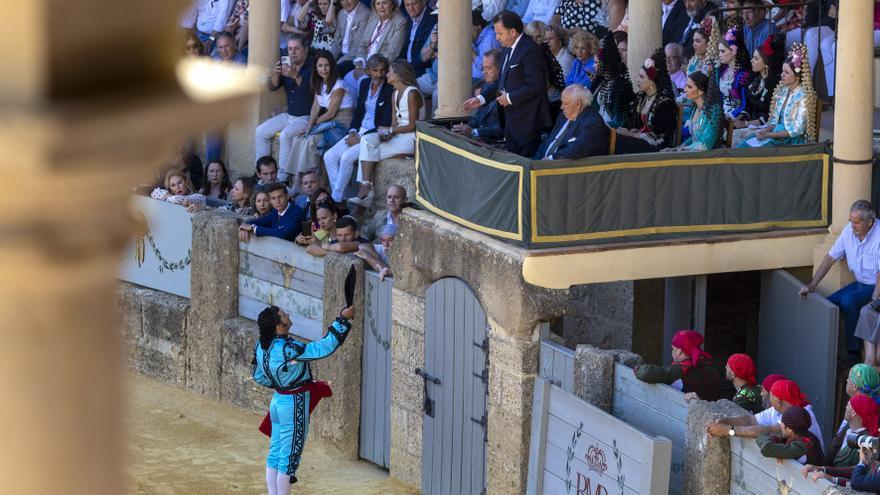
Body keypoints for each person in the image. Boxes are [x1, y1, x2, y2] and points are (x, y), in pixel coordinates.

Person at [252, 302, 355, 494]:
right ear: (278, 325)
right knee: (289, 459)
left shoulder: (261, 346)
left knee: (275, 453)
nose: (287, 313)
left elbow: (258, 376)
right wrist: (343, 320)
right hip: (293, 403)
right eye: (283, 314)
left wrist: (280, 382)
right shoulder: (289, 348)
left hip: (277, 401)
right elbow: (323, 348)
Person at [800, 200, 880, 363]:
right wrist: (813, 284)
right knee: (826, 304)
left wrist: (875, 298)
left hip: (875, 286)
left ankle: (853, 352)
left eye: (856, 222)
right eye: (850, 221)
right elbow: (830, 257)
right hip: (859, 283)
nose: (852, 226)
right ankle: (823, 353)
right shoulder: (848, 231)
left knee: (848, 300)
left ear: (870, 222)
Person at [469, 10, 552, 158]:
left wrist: (510, 98)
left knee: (524, 164)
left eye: (500, 33)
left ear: (513, 32)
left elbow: (536, 85)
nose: (497, 37)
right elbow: (500, 83)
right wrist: (481, 99)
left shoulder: (530, 49)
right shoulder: (507, 49)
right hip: (510, 120)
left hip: (528, 119)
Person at [350, 61, 424, 208]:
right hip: (398, 136)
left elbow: (413, 125)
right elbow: (395, 123)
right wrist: (388, 134)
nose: (387, 74)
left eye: (390, 72)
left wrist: (390, 131)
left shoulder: (412, 93)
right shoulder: (395, 93)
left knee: (370, 153)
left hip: (411, 138)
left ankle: (365, 190)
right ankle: (366, 187)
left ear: (398, 75)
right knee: (366, 140)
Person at [324, 54, 394, 205]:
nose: (379, 75)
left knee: (346, 158)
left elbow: (386, 121)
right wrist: (352, 132)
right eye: (375, 70)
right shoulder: (364, 84)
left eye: (383, 70)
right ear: (368, 71)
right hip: (359, 130)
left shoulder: (389, 89)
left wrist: (361, 138)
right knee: (329, 156)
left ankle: (336, 199)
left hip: (374, 133)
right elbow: (358, 112)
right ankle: (340, 197)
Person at [286, 51, 356, 181]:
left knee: (311, 140)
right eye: (320, 65)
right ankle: (296, 179)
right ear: (316, 68)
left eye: (327, 65)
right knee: (299, 139)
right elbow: (315, 106)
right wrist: (308, 126)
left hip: (341, 125)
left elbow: (331, 113)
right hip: (328, 123)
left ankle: (312, 179)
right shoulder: (320, 83)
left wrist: (312, 126)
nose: (324, 69)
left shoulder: (339, 85)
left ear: (332, 67)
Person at [706, 378, 826, 452]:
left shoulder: (800, 414)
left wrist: (728, 431)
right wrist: (723, 421)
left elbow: (764, 431)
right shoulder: (779, 408)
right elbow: (750, 420)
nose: (763, 395)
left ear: (778, 401)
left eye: (770, 396)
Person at [255, 35, 314, 183]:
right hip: (289, 115)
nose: (292, 52)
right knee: (260, 131)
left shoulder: (313, 66)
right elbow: (272, 87)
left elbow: (310, 92)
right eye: (290, 49)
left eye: (296, 49)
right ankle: (261, 173)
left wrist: (295, 76)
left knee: (285, 135)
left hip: (306, 117)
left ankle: (282, 177)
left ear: (305, 49)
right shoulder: (287, 65)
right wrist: (276, 74)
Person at [736, 42, 817, 148]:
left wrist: (769, 135)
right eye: (782, 71)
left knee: (748, 150)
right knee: (743, 145)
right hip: (775, 134)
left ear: (797, 76)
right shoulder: (784, 90)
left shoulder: (803, 96)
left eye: (786, 72)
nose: (782, 75)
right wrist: (765, 131)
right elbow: (774, 120)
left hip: (790, 140)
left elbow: (797, 130)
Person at [616, 49, 679, 153]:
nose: (637, 80)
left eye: (641, 77)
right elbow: (632, 123)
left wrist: (633, 135)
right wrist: (628, 131)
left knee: (620, 143)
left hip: (657, 147)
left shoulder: (664, 103)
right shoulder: (641, 97)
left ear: (652, 82)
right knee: (616, 137)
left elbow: (662, 136)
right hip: (641, 142)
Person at [634, 330, 723, 401]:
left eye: (673, 348)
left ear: (679, 352)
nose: (672, 351)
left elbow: (647, 373)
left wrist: (637, 369)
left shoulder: (681, 371)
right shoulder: (706, 365)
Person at [731, 33, 784, 146]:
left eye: (756, 59)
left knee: (734, 139)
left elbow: (769, 115)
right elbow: (748, 106)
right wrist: (738, 120)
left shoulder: (774, 85)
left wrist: (744, 124)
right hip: (749, 123)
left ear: (766, 63)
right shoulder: (754, 79)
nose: (751, 61)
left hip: (765, 128)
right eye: (752, 58)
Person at [535, 84, 608, 160]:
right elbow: (548, 142)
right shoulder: (563, 116)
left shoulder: (593, 123)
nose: (561, 107)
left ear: (577, 104)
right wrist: (535, 160)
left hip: (566, 167)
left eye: (565, 104)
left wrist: (550, 159)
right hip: (543, 164)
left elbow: (577, 150)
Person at [338, 0, 408, 73]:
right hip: (364, 61)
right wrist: (360, 62)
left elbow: (392, 53)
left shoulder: (400, 22)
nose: (381, 7)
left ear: (392, 5)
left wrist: (372, 69)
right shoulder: (374, 17)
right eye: (378, 4)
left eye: (384, 3)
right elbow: (363, 43)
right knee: (338, 70)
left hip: (379, 68)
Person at [453, 50, 504, 143]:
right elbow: (478, 117)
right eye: (483, 68)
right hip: (480, 140)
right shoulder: (485, 87)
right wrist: (464, 127)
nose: (484, 72)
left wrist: (474, 132)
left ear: (500, 69)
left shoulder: (506, 92)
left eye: (488, 68)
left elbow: (501, 131)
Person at [591, 31, 635, 129]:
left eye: (598, 63)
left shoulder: (621, 85)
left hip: (611, 134)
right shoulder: (602, 81)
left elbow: (618, 122)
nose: (594, 66)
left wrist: (597, 127)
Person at [672, 69, 724, 151]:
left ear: (700, 91)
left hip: (710, 157)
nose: (685, 90)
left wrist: (683, 150)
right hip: (695, 153)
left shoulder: (714, 111)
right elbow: (694, 138)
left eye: (689, 87)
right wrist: (679, 148)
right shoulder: (695, 107)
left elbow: (705, 145)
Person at [756, 406, 826, 466]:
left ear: (789, 429)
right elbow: (762, 438)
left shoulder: (801, 446)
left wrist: (776, 450)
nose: (781, 425)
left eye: (782, 423)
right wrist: (778, 451)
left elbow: (766, 448)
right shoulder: (803, 435)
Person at [239, 183, 306, 242]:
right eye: (273, 198)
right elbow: (261, 221)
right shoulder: (275, 211)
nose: (277, 201)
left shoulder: (296, 212)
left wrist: (253, 228)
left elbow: (282, 233)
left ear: (287, 196)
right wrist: (244, 226)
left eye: (280, 196)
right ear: (270, 201)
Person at [717, 22, 750, 119]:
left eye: (722, 51)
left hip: (733, 118)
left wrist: (730, 116)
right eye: (719, 51)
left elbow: (744, 105)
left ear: (733, 51)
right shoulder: (723, 70)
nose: (719, 55)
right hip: (720, 114)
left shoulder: (742, 75)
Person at [399, 0, 437, 77]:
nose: (411, 8)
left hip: (423, 70)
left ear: (423, 2)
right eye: (407, 5)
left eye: (414, 4)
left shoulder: (432, 19)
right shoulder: (407, 17)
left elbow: (423, 58)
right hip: (408, 65)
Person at [472, 11, 501, 81]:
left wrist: (470, 50)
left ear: (478, 26)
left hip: (480, 80)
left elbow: (483, 66)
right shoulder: (476, 36)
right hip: (471, 76)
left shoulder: (491, 37)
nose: (466, 30)